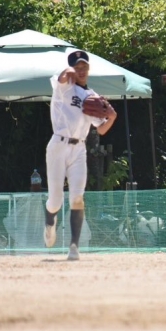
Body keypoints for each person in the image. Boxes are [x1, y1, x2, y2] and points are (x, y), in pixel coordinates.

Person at [44, 50, 117, 260]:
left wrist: (112, 117)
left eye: (84, 66)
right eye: (78, 67)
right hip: (58, 145)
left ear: (89, 68)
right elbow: (62, 76)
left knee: (77, 197)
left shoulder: (91, 96)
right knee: (56, 201)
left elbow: (101, 129)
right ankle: (50, 221)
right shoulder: (64, 85)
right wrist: (69, 71)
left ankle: (74, 246)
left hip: (79, 149)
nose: (81, 70)